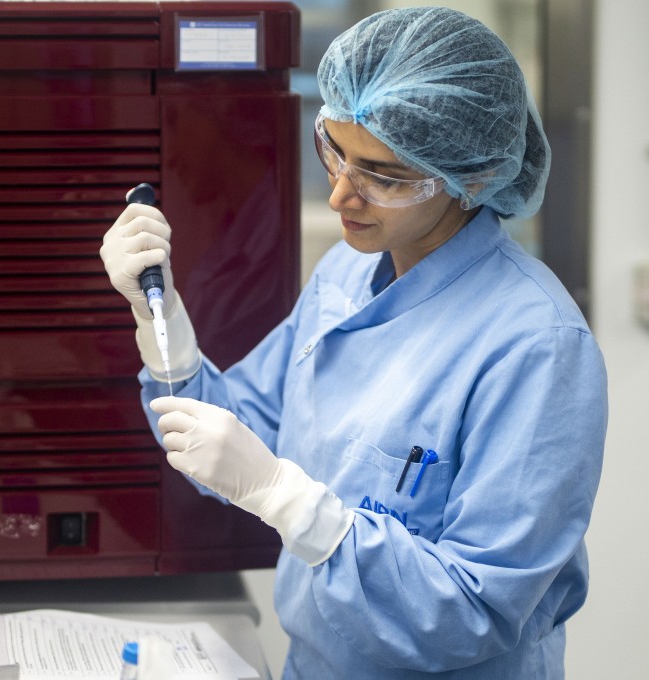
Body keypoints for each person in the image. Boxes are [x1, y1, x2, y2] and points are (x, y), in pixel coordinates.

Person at [100, 6, 607, 678]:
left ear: (473, 178)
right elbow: (233, 441)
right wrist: (159, 324)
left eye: (383, 176)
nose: (341, 194)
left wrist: (290, 501)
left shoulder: (536, 347)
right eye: (334, 150)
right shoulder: (347, 274)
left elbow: (475, 611)